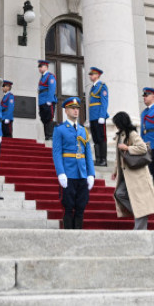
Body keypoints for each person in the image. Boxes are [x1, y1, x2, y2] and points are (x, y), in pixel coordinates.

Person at [52, 96, 95, 229]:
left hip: (82, 173)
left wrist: (91, 174)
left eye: (77, 108)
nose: (76, 111)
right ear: (66, 111)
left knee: (81, 207)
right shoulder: (60, 129)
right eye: (72, 108)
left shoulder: (83, 130)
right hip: (68, 173)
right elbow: (57, 153)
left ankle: (78, 234)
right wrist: (60, 173)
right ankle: (68, 235)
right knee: (68, 207)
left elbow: (88, 153)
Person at [110, 110, 154, 230]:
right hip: (126, 173)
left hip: (136, 173)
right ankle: (140, 212)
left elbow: (142, 148)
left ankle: (139, 229)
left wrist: (127, 147)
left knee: (139, 201)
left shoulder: (132, 134)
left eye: (117, 122)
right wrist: (115, 171)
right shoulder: (120, 135)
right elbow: (118, 156)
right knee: (119, 194)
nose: (116, 125)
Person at [87, 67, 109, 166]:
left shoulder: (102, 86)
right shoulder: (93, 87)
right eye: (90, 74)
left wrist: (102, 116)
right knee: (95, 138)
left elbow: (104, 102)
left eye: (93, 74)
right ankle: (98, 159)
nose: (91, 76)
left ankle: (103, 159)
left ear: (98, 75)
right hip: (93, 117)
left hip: (99, 116)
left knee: (101, 138)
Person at [37, 60, 57, 141]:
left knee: (49, 118)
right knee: (44, 118)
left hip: (47, 101)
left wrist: (49, 100)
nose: (39, 68)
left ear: (46, 67)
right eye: (39, 67)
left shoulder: (50, 76)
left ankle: (50, 135)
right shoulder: (42, 77)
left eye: (41, 66)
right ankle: (47, 135)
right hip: (42, 101)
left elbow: (52, 88)